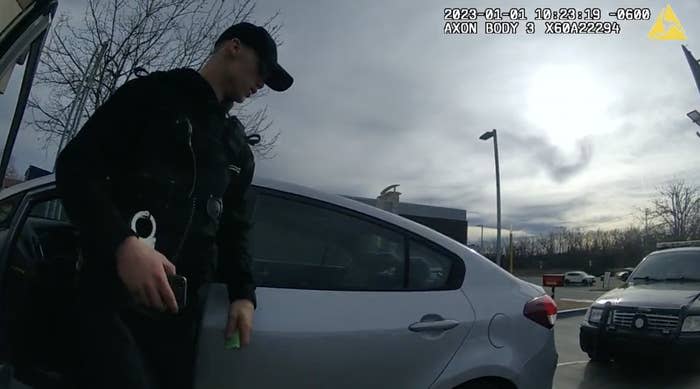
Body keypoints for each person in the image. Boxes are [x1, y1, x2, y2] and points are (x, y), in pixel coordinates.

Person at [54, 22, 293, 389]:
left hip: (181, 319)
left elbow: (234, 227)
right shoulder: (150, 96)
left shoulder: (235, 149)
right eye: (261, 69)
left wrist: (242, 294)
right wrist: (123, 244)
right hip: (112, 304)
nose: (261, 83)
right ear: (233, 47)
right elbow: (75, 170)